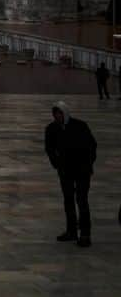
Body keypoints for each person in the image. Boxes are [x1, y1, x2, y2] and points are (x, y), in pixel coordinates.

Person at [44, 102, 97, 247]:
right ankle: (71, 231)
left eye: (59, 113)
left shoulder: (80, 126)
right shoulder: (51, 128)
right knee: (68, 200)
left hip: (82, 170)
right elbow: (49, 148)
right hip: (65, 171)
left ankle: (85, 234)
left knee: (82, 200)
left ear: (65, 113)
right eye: (55, 114)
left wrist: (88, 163)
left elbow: (92, 146)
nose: (57, 116)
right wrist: (57, 164)